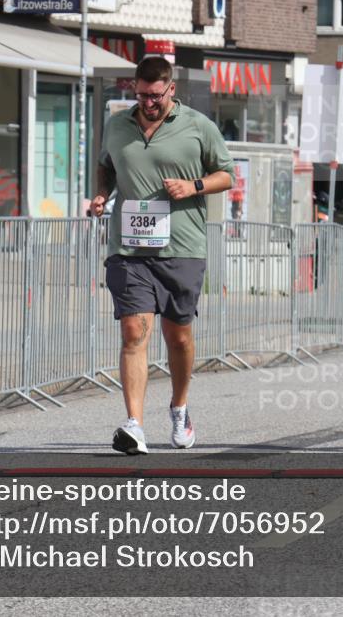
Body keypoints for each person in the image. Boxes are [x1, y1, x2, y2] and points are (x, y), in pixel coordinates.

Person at [90, 57, 234, 455]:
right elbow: (106, 168)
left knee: (179, 336)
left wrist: (194, 186)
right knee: (134, 331)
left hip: (182, 248)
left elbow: (227, 174)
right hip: (129, 248)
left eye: (155, 96)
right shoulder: (118, 125)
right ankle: (134, 425)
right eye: (141, 94)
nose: (148, 103)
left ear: (172, 89)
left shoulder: (197, 126)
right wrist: (102, 195)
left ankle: (180, 407)